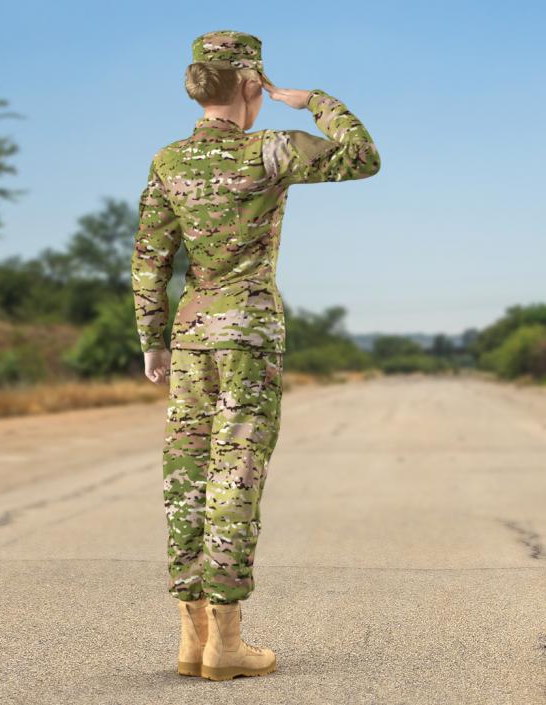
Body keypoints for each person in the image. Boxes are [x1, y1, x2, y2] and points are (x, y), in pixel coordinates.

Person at [131, 29, 380, 681]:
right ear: (250, 86)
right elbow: (362, 156)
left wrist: (152, 340)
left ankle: (190, 637)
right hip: (246, 330)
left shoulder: (167, 162)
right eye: (260, 88)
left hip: (188, 337)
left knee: (184, 475)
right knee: (233, 475)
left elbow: (149, 260)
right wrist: (315, 101)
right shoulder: (268, 150)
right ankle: (226, 643)